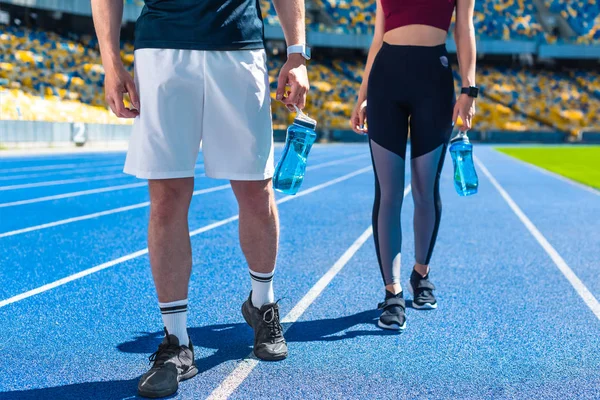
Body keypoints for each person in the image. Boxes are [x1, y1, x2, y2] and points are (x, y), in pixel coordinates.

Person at [91, 0, 310, 397]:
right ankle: (176, 341)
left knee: (255, 191)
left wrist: (297, 53)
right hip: (162, 50)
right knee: (167, 197)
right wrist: (111, 62)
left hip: (239, 46)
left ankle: (262, 304)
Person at [350, 0, 477, 330]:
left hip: (433, 80)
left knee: (424, 188)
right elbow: (379, 36)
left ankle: (421, 274)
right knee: (389, 192)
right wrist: (362, 94)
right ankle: (392, 294)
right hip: (386, 80)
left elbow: (464, 27)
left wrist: (469, 88)